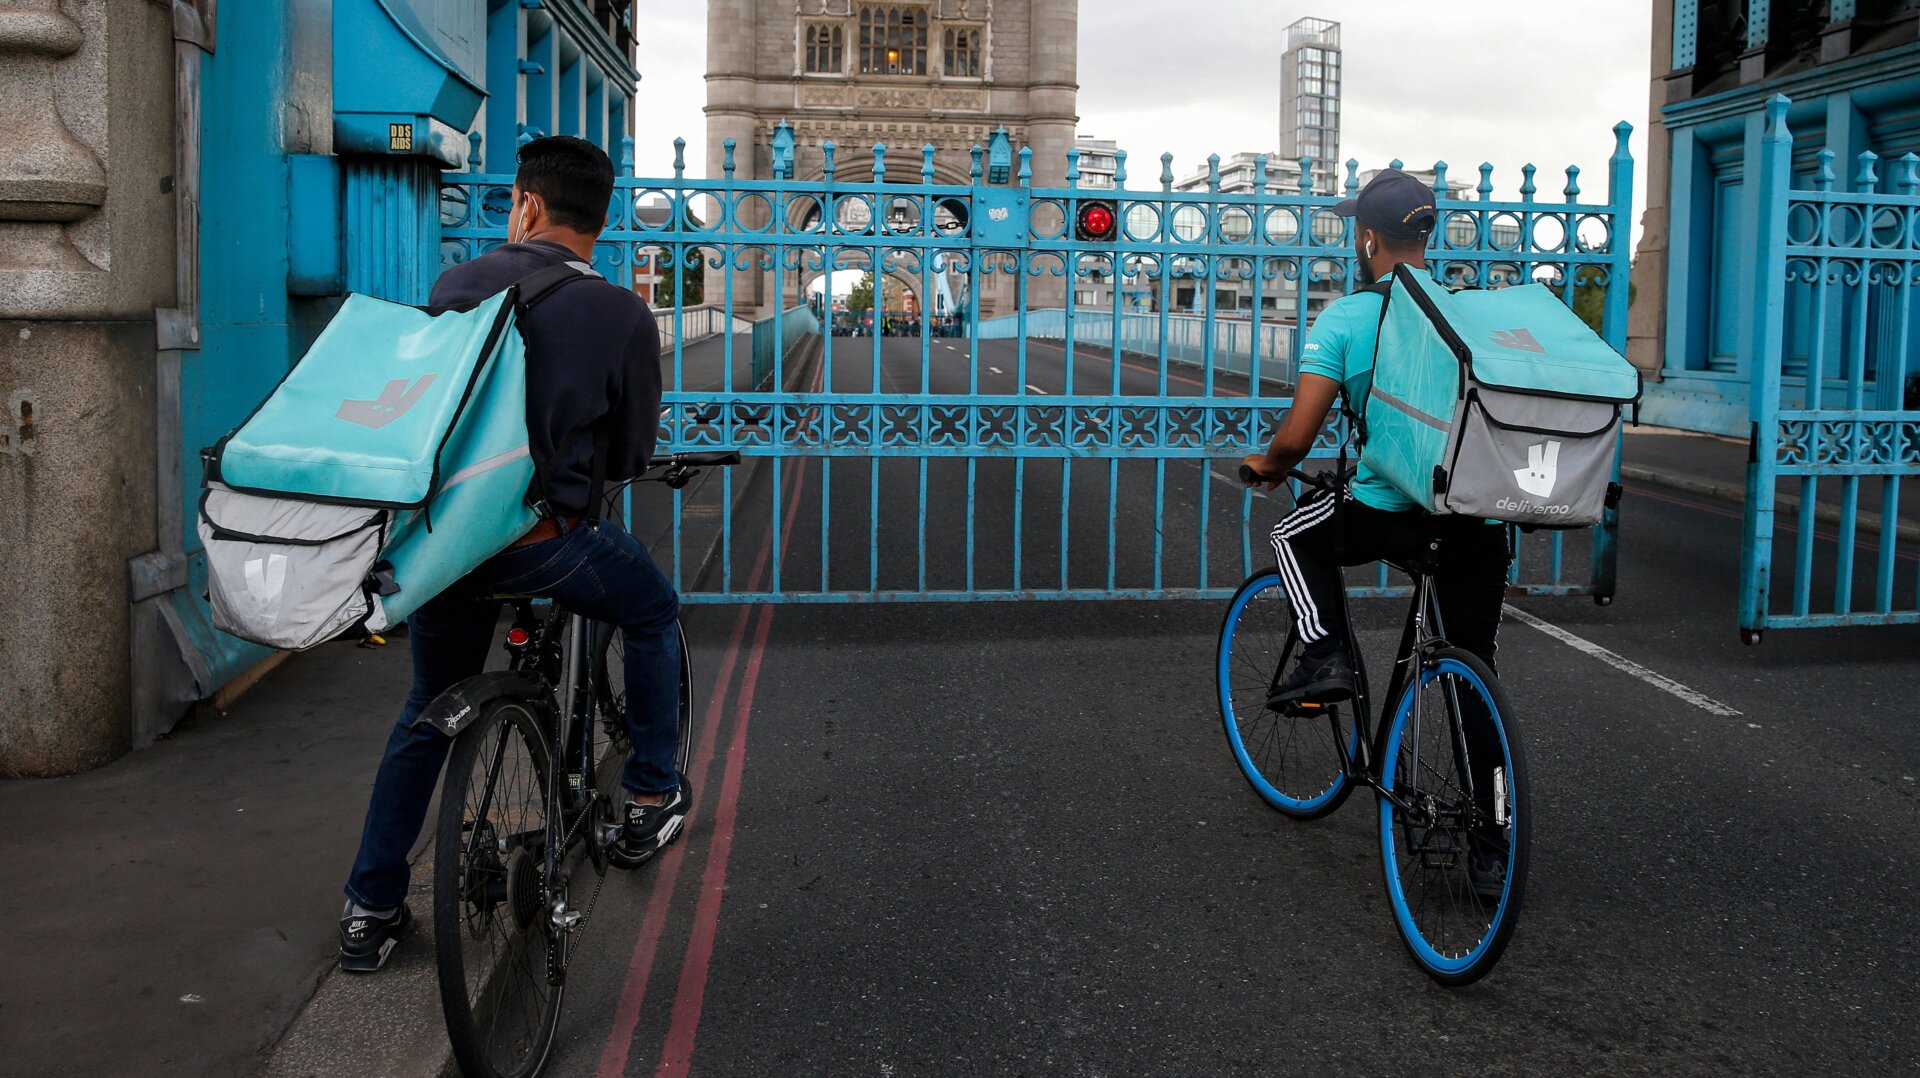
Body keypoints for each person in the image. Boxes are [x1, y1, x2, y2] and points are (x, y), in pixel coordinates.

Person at [338, 136, 684, 973]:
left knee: (429, 702)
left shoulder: (458, 286)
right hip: (543, 547)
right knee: (650, 610)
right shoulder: (622, 316)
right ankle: (649, 795)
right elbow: (632, 453)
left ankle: (370, 908)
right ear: (600, 220)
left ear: (524, 203)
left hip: (448, 549)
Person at [1240, 168, 1512, 708]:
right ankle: (1492, 791)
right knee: (1475, 667)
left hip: (1390, 511)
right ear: (1425, 238)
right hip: (1477, 516)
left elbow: (1296, 439)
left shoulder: (1347, 316)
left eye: (1355, 232)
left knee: (1293, 535)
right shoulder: (1464, 311)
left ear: (1367, 238)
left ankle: (1325, 656)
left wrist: (1269, 466)